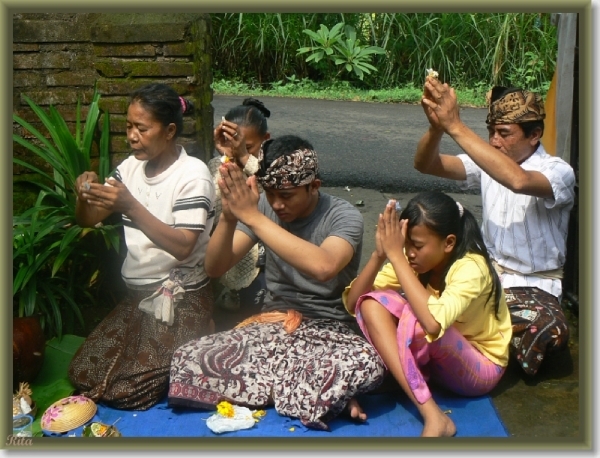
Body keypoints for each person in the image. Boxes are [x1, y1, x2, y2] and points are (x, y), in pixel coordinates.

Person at [168, 135, 385, 430]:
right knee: (187, 357)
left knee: (367, 363)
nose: (277, 204)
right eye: (270, 193)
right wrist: (231, 218)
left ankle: (301, 386)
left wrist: (254, 218)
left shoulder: (343, 216)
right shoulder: (263, 211)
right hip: (275, 327)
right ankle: (315, 392)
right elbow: (215, 267)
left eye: (288, 195)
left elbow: (324, 267)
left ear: (314, 187)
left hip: (330, 334)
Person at [68, 83, 216, 410]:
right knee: (84, 373)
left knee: (129, 391)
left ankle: (201, 328)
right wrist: (84, 195)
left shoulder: (193, 174)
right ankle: (178, 344)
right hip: (137, 296)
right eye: (128, 126)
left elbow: (183, 247)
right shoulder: (130, 168)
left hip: (181, 295)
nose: (132, 136)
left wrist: (130, 206)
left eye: (142, 128)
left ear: (170, 131)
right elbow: (88, 219)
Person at [414, 78, 576, 376]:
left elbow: (519, 181)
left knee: (549, 330)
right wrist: (437, 129)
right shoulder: (489, 162)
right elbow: (427, 164)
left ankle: (461, 335)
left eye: (503, 133)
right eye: (490, 132)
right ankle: (466, 335)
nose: (493, 141)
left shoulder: (558, 172)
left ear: (535, 134)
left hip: (533, 286)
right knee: (414, 276)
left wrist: (456, 126)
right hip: (483, 277)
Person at [343, 192, 512, 437]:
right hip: (437, 362)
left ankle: (430, 412)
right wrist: (379, 255)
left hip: (480, 368)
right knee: (371, 304)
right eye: (406, 244)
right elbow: (352, 301)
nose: (409, 253)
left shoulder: (472, 267)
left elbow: (433, 325)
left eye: (418, 246)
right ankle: (432, 412)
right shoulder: (416, 261)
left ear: (449, 243)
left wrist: (397, 258)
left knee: (418, 319)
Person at [207, 98, 271, 317]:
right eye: (232, 145)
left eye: (247, 146)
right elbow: (214, 204)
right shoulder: (217, 165)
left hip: (261, 261)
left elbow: (269, 189)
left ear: (266, 139)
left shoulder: (270, 165)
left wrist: (245, 158)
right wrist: (227, 156)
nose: (236, 151)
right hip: (227, 258)